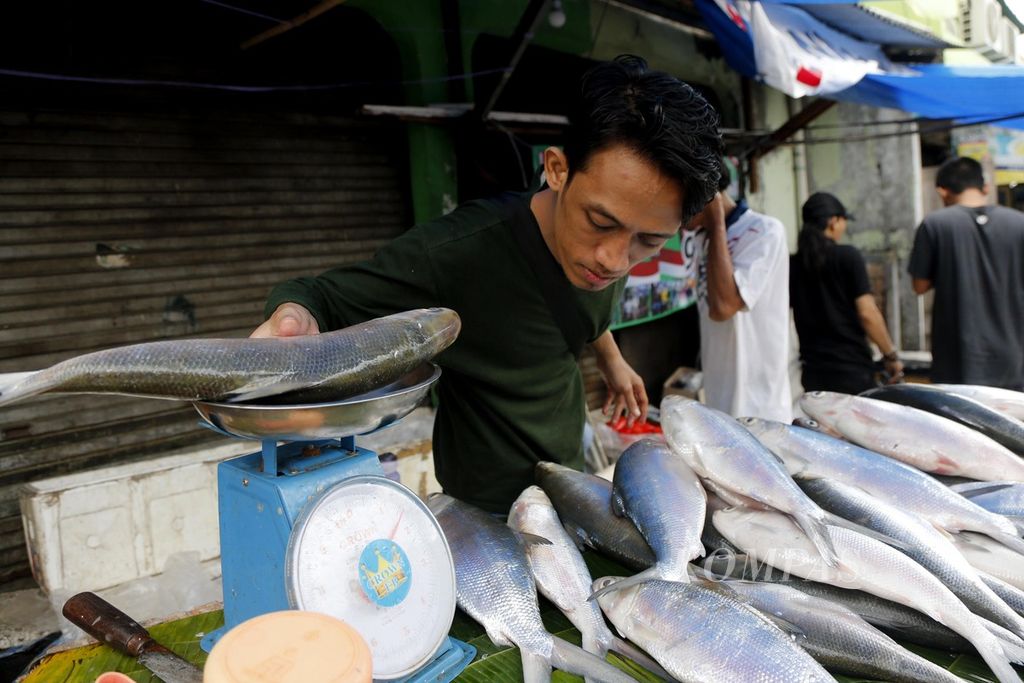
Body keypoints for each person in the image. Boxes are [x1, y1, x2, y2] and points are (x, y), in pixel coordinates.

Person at [250, 55, 722, 513]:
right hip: (486, 513)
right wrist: (293, 319)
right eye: (600, 222)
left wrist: (613, 361)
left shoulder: (608, 247)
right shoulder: (458, 254)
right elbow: (321, 296)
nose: (615, 260)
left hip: (568, 486)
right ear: (557, 170)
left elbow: (584, 314)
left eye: (649, 241)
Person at [685, 160, 792, 421]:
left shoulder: (764, 231)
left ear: (705, 196)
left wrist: (717, 223)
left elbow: (723, 308)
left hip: (759, 409)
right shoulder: (701, 239)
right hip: (720, 400)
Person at [909, 157, 1024, 389]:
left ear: (943, 192)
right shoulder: (1019, 223)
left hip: (957, 361)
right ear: (986, 187)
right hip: (1014, 358)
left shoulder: (935, 224)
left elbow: (919, 285)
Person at [790, 192, 904, 394]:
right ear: (833, 221)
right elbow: (868, 314)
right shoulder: (847, 256)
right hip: (851, 371)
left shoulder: (793, 264)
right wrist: (890, 355)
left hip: (813, 374)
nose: (844, 227)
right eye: (843, 221)